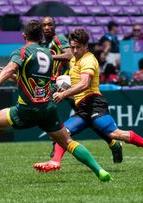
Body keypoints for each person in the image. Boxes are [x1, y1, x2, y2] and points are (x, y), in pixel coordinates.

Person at [0, 20, 112, 184]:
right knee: (67, 142)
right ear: (41, 36)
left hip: (27, 109)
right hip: (47, 108)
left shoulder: (23, 51)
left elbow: (11, 67)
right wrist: (14, 78)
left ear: (24, 36)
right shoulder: (48, 54)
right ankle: (100, 170)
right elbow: (35, 79)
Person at [33, 29, 143, 173]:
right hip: (82, 108)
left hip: (94, 105)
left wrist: (64, 94)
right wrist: (66, 93)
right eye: (72, 47)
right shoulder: (74, 60)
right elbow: (78, 88)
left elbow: (85, 84)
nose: (74, 50)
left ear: (86, 46)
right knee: (62, 133)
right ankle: (55, 161)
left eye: (77, 47)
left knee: (115, 134)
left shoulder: (88, 60)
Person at [39, 16, 123, 164]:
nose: (47, 28)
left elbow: (70, 54)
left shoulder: (59, 39)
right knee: (85, 117)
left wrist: (50, 57)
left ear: (54, 25)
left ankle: (58, 144)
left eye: (49, 24)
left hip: (67, 84)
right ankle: (112, 143)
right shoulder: (43, 44)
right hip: (53, 85)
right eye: (44, 25)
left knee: (89, 117)